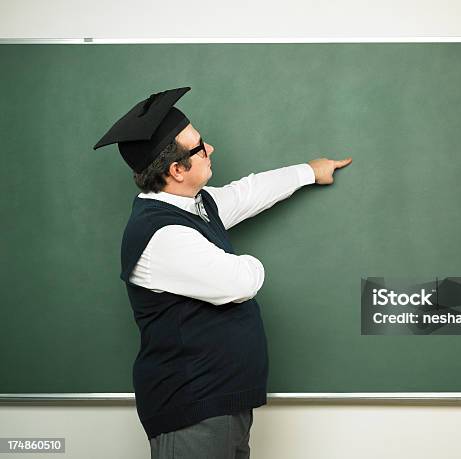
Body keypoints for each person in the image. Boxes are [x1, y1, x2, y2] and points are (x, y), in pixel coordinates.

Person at [93, 87, 352, 458]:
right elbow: (243, 282)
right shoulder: (163, 235)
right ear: (176, 169)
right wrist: (249, 262)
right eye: (200, 147)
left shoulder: (192, 205)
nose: (210, 149)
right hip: (191, 411)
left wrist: (310, 171)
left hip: (219, 403)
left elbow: (247, 193)